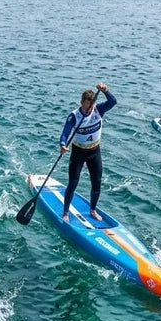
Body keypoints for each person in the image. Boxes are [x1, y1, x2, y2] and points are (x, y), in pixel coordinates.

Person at [59, 83, 116, 223]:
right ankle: (65, 212)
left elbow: (113, 102)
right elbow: (65, 133)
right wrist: (62, 145)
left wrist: (105, 91)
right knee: (73, 183)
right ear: (81, 103)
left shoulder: (98, 110)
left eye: (91, 105)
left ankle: (93, 210)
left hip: (94, 152)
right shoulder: (74, 116)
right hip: (78, 152)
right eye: (86, 105)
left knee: (96, 183)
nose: (88, 108)